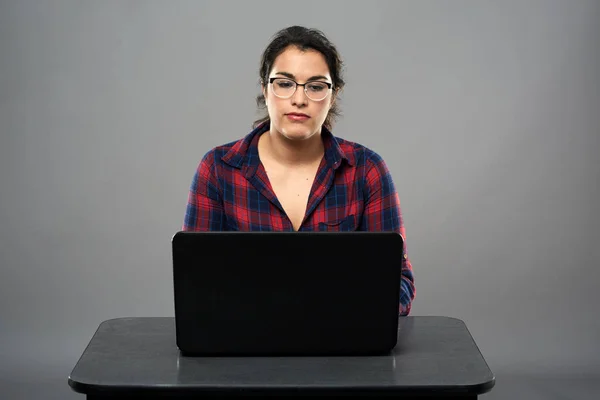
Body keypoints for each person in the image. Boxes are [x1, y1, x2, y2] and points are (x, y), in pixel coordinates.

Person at [182, 26, 415, 316]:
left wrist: (340, 313)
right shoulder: (218, 169)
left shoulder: (366, 170)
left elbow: (399, 283)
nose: (299, 99)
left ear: (333, 95)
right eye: (285, 83)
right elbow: (195, 283)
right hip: (245, 348)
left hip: (344, 348)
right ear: (265, 89)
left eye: (316, 86)